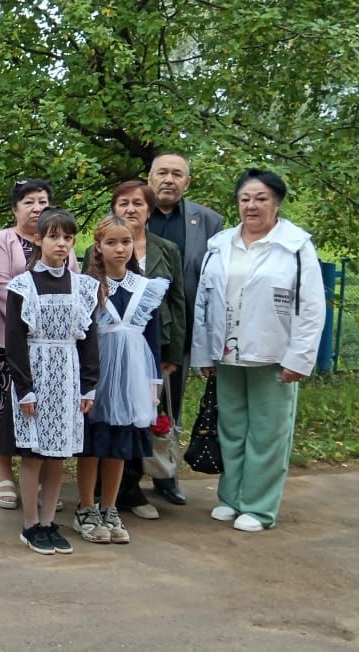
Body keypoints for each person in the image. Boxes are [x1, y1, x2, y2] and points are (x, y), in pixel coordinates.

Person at [192, 169, 323, 533]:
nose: (251, 205)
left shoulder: (295, 246)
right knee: (230, 429)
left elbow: (311, 308)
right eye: (245, 198)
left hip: (274, 355)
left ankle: (259, 507)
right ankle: (231, 498)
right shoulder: (220, 244)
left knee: (268, 433)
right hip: (227, 353)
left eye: (261, 198)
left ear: (276, 202)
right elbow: (205, 302)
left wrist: (299, 358)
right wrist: (203, 353)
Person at [3, 208, 99, 555]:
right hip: (36, 374)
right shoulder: (22, 286)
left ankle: (48, 520)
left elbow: (89, 340)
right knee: (34, 454)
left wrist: (89, 384)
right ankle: (30, 524)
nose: (61, 243)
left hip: (68, 375)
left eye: (68, 238)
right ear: (38, 239)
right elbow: (14, 342)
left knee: (58, 455)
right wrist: (24, 388)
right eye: (54, 236)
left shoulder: (83, 286)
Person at [0, 179, 78, 511]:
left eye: (42, 202)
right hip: (9, 340)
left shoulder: (61, 239)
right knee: (7, 410)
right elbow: (0, 288)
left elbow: (73, 286)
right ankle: (4, 474)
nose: (36, 208)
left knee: (45, 411)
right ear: (15, 208)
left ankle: (39, 481)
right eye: (29, 202)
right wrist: (36, 322)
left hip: (54, 349)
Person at [93, 181, 186, 520]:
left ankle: (131, 490)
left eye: (138, 203)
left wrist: (173, 353)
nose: (131, 209)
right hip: (107, 350)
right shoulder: (97, 260)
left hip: (151, 347)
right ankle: (100, 496)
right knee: (106, 418)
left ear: (149, 210)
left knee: (141, 417)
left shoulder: (167, 249)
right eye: (123, 203)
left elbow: (176, 304)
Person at [74, 215, 169, 545]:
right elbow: (82, 336)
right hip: (97, 374)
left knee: (119, 443)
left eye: (125, 242)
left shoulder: (146, 289)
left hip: (131, 376)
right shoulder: (88, 287)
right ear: (98, 247)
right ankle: (86, 507)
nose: (119, 249)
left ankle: (110, 506)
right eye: (111, 242)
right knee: (92, 444)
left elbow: (153, 340)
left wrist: (152, 383)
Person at [143, 152, 224, 506]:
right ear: (150, 178)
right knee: (128, 404)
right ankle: (125, 475)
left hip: (179, 331)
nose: (169, 179)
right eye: (162, 172)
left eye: (177, 174)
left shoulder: (207, 222)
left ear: (187, 183)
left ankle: (166, 473)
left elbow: (213, 282)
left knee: (170, 404)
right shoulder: (127, 213)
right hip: (129, 332)